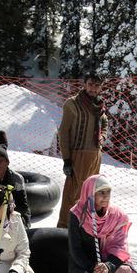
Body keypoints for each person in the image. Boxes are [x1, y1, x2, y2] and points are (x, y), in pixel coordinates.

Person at [56, 72, 109, 228]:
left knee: (91, 194)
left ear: (101, 87)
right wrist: (66, 159)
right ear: (84, 85)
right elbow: (63, 132)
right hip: (77, 155)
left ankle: (84, 227)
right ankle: (64, 229)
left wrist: (103, 138)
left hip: (95, 155)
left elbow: (104, 125)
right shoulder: (72, 104)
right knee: (72, 195)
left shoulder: (99, 105)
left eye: (97, 85)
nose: (93, 88)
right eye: (90, 84)